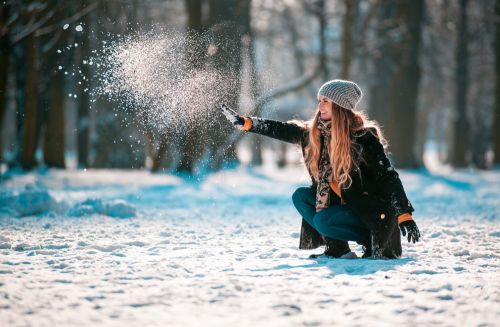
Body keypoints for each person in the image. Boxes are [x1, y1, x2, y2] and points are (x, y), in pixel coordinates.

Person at [220, 79, 420, 259]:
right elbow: (283, 129)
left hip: (371, 212)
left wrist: (404, 214)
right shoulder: (316, 134)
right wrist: (247, 123)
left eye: (325, 100)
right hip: (347, 207)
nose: (319, 105)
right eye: (319, 100)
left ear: (340, 106)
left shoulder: (363, 139)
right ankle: (338, 249)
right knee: (301, 196)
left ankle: (369, 239)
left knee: (324, 220)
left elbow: (388, 177)